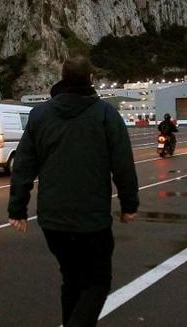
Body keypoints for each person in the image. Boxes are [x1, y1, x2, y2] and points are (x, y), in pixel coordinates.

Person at [8, 55, 139, 327]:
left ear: (62, 78)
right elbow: (123, 165)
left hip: (53, 221)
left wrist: (17, 209)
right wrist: (129, 205)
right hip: (92, 221)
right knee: (97, 282)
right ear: (91, 79)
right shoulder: (105, 115)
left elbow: (23, 165)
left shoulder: (40, 115)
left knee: (72, 279)